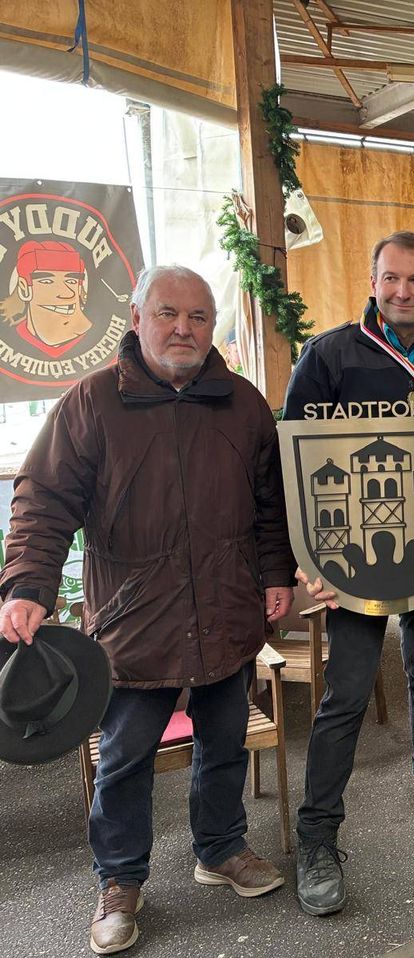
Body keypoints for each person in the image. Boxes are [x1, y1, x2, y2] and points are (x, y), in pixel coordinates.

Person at [0, 264, 295, 955]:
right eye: (168, 314)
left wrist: (276, 575)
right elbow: (43, 501)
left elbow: (269, 508)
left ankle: (220, 849)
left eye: (197, 317)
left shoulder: (244, 405)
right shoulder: (90, 404)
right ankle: (120, 881)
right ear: (136, 319)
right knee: (125, 759)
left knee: (224, 742)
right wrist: (27, 586)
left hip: (227, 611)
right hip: (134, 622)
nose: (183, 329)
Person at [282, 230, 414, 917]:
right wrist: (306, 559)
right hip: (351, 562)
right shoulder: (329, 355)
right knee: (345, 693)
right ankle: (316, 837)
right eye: (391, 279)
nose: (403, 291)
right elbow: (297, 461)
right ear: (373, 282)